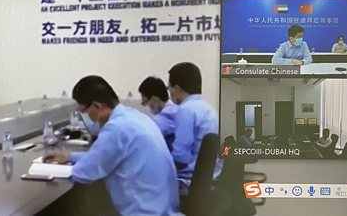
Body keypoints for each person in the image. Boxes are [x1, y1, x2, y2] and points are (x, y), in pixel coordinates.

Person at [43, 76, 181, 216]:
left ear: (96, 106)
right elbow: (101, 157)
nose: (86, 117)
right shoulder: (134, 117)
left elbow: (86, 172)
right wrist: (70, 157)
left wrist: (46, 170)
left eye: (84, 112)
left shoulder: (115, 128)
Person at [168, 62, 222, 195]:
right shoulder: (209, 110)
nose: (169, 92)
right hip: (210, 182)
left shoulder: (186, 110)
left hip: (188, 185)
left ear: (177, 88)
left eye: (169, 88)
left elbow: (180, 160)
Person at [139, 76, 179, 151]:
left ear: (154, 99)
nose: (146, 106)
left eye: (145, 102)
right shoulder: (176, 108)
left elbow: (146, 133)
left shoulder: (167, 116)